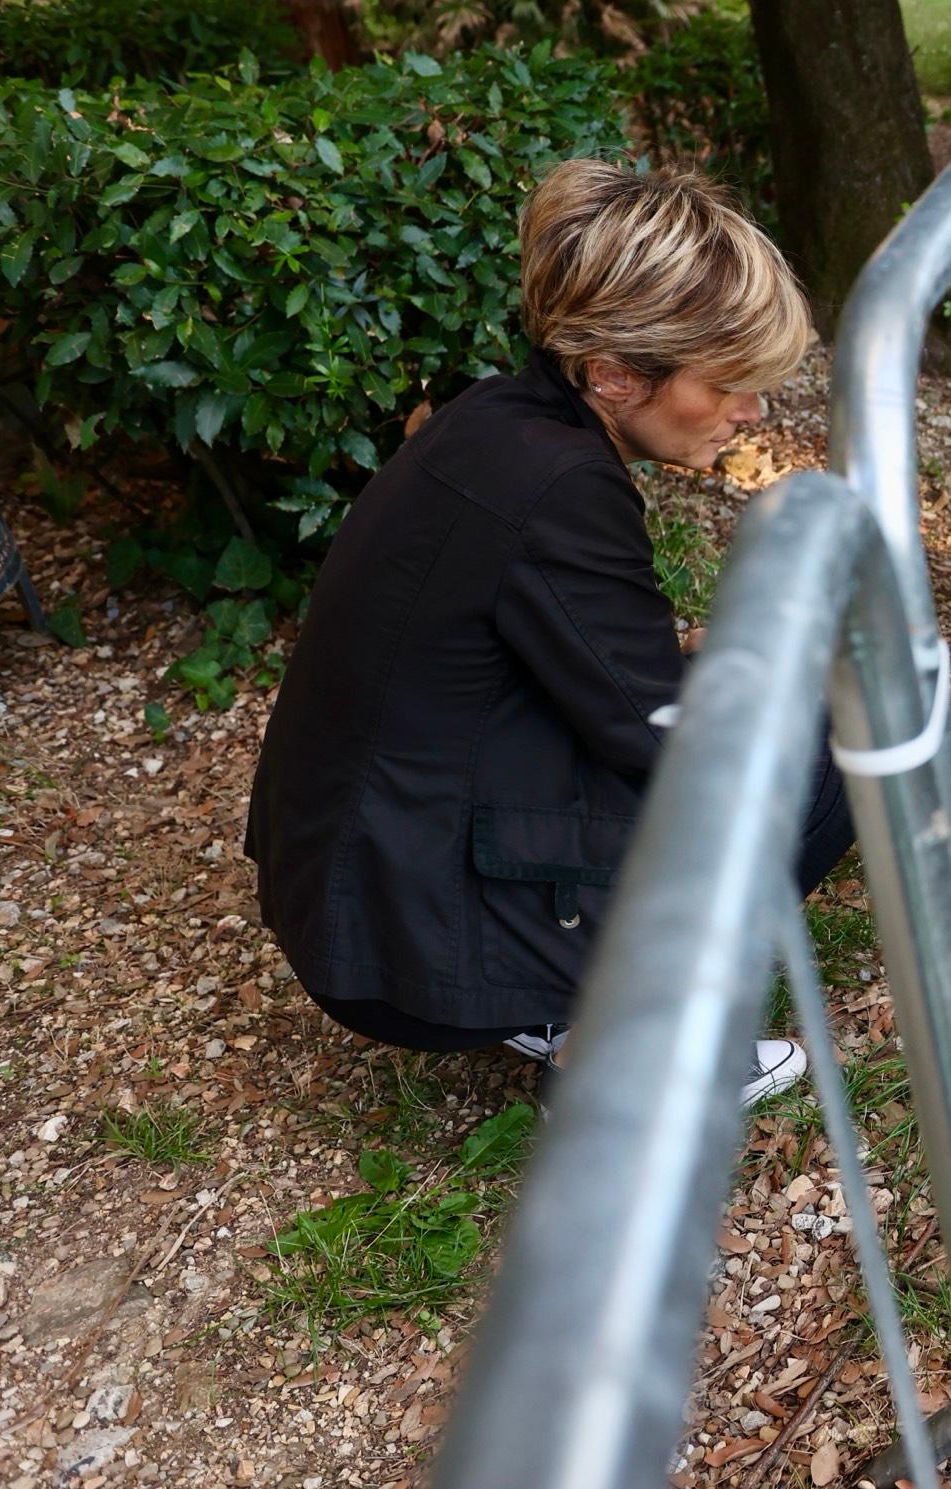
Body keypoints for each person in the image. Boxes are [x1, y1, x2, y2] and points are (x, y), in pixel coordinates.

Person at [246, 160, 851, 1107]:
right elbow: (659, 736)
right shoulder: (562, 486)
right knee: (827, 739)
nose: (752, 412)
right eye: (730, 382)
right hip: (404, 949)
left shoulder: (494, 422)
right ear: (613, 374)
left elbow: (582, 667)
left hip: (351, 889)